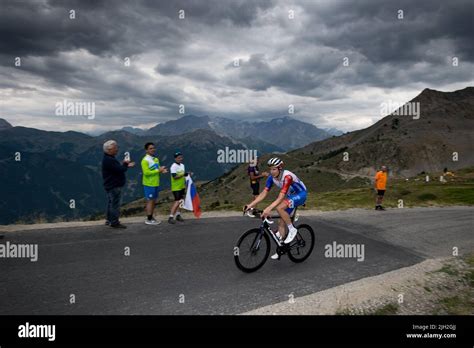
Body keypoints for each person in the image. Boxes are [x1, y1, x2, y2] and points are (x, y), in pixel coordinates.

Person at [245, 157, 307, 260]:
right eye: (270, 169)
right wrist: (251, 205)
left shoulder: (287, 177)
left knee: (280, 208)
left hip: (300, 194)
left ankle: (292, 230)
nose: (272, 172)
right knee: (280, 223)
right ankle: (282, 248)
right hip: (291, 196)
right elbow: (264, 193)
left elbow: (281, 197)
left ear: (280, 168)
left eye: (274, 169)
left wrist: (268, 208)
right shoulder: (271, 177)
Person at [102, 140, 135, 229]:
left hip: (110, 185)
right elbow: (120, 170)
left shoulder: (108, 158)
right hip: (114, 185)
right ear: (109, 150)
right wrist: (125, 163)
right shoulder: (109, 160)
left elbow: (116, 168)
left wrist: (125, 165)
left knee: (111, 203)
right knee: (115, 204)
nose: (117, 149)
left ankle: (109, 220)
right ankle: (114, 222)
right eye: (114, 148)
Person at [141, 142, 168, 225]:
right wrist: (158, 170)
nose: (153, 149)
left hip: (156, 183)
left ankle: (151, 217)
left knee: (153, 201)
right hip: (149, 184)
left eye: (153, 148)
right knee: (150, 201)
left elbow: (157, 169)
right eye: (150, 148)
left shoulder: (156, 159)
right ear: (146, 150)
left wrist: (162, 171)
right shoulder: (144, 160)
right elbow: (146, 173)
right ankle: (149, 219)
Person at [168, 151, 192, 224]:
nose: (180, 159)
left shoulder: (182, 165)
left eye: (181, 157)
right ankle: (171, 217)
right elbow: (175, 177)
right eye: (178, 158)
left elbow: (182, 175)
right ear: (175, 158)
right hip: (176, 187)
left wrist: (187, 175)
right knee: (177, 201)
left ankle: (178, 215)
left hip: (182, 186)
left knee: (181, 201)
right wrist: (183, 174)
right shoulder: (173, 166)